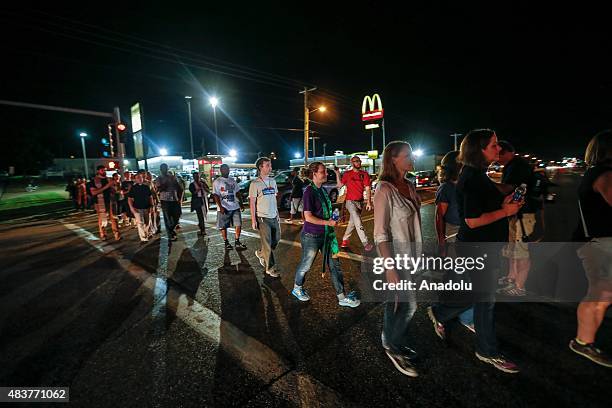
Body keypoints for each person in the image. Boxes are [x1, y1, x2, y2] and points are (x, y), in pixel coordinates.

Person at [426, 129, 523, 374]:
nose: (497, 149)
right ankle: (487, 350)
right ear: (479, 150)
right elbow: (471, 220)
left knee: (480, 298)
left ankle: (441, 313)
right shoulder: (471, 177)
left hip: (484, 246)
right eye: (492, 145)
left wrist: (504, 204)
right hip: (476, 247)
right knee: (485, 300)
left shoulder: (479, 175)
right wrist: (506, 212)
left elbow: (483, 208)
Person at [374, 141, 421, 376]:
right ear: (393, 159)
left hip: (413, 256)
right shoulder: (384, 189)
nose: (412, 157)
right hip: (396, 258)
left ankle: (390, 339)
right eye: (407, 154)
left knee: (399, 303)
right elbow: (380, 234)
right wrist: (389, 268)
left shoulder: (410, 185)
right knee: (407, 305)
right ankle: (393, 346)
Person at [292, 161, 361, 307]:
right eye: (322, 171)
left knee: (334, 265)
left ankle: (342, 297)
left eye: (325, 171)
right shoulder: (309, 192)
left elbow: (325, 210)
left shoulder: (322, 190)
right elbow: (308, 217)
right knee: (306, 265)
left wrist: (334, 217)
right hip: (311, 235)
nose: (325, 173)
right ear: (314, 174)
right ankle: (297, 288)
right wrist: (328, 223)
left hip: (326, 235)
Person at [570, 130, 612, 367]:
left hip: (597, 242)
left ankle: (585, 341)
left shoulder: (595, 173)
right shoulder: (604, 175)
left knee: (602, 294)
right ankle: (583, 342)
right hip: (599, 243)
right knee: (600, 293)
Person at [435, 150, 475, 333]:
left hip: (469, 235)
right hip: (453, 235)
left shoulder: (466, 185)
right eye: (464, 164)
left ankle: (467, 317)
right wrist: (442, 242)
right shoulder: (446, 187)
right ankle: (440, 315)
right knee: (455, 278)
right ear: (456, 167)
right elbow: (439, 217)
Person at [496, 141, 538, 296]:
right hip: (515, 213)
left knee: (521, 251)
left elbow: (510, 188)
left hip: (523, 214)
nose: (496, 158)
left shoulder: (518, 165)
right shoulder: (512, 165)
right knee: (512, 249)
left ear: (507, 152)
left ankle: (520, 287)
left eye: (499, 153)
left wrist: (487, 186)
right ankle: (511, 277)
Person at [334, 156, 374, 252]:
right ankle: (365, 242)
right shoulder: (347, 174)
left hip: (360, 202)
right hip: (350, 201)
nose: (358, 163)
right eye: (356, 161)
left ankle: (345, 240)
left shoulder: (364, 174)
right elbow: (339, 185)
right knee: (357, 219)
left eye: (359, 161)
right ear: (352, 163)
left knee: (352, 223)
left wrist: (368, 202)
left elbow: (368, 188)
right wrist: (337, 173)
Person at [249, 157, 281, 277]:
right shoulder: (255, 184)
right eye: (267, 165)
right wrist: (253, 220)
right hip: (262, 218)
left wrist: (277, 214)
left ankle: (262, 253)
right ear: (260, 167)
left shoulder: (272, 181)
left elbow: (274, 199)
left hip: (274, 216)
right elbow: (252, 203)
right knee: (267, 243)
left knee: (276, 239)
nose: (270, 167)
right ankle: (270, 268)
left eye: (270, 165)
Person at [213, 164, 247, 249]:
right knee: (223, 226)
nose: (227, 171)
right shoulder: (217, 181)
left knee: (238, 224)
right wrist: (220, 207)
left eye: (228, 169)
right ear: (221, 170)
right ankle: (226, 242)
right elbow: (216, 195)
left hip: (235, 206)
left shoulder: (232, 180)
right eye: (225, 169)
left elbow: (237, 193)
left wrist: (241, 204)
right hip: (224, 207)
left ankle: (237, 241)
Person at [89, 165, 120, 241]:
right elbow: (94, 192)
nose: (104, 172)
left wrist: (114, 186)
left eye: (105, 170)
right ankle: (103, 235)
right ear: (98, 171)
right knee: (102, 219)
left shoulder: (108, 179)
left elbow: (114, 191)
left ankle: (117, 235)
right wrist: (107, 186)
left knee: (114, 218)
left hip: (110, 201)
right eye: (102, 170)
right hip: (99, 203)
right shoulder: (93, 181)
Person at [155, 163, 182, 242]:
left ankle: (171, 229)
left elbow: (178, 187)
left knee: (177, 215)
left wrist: (180, 196)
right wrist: (166, 182)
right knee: (168, 218)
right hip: (165, 200)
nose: (165, 170)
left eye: (166, 168)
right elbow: (159, 189)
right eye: (163, 168)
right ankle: (171, 234)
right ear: (161, 169)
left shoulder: (172, 177)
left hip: (174, 199)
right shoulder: (159, 178)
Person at [128, 171, 154, 243]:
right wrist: (132, 208)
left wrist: (152, 206)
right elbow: (130, 199)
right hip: (137, 208)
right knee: (140, 223)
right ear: (135, 179)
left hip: (147, 207)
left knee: (147, 222)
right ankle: (143, 238)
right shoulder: (133, 188)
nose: (140, 179)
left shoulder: (146, 187)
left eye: (141, 177)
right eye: (138, 178)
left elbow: (150, 197)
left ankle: (147, 233)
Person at [189, 172, 211, 237]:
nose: (196, 178)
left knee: (204, 214)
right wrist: (199, 188)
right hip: (197, 201)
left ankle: (201, 225)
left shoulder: (203, 183)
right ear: (193, 177)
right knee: (200, 216)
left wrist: (203, 187)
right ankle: (203, 230)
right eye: (195, 177)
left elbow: (208, 190)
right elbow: (193, 192)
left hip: (204, 200)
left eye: (197, 176)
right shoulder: (192, 185)